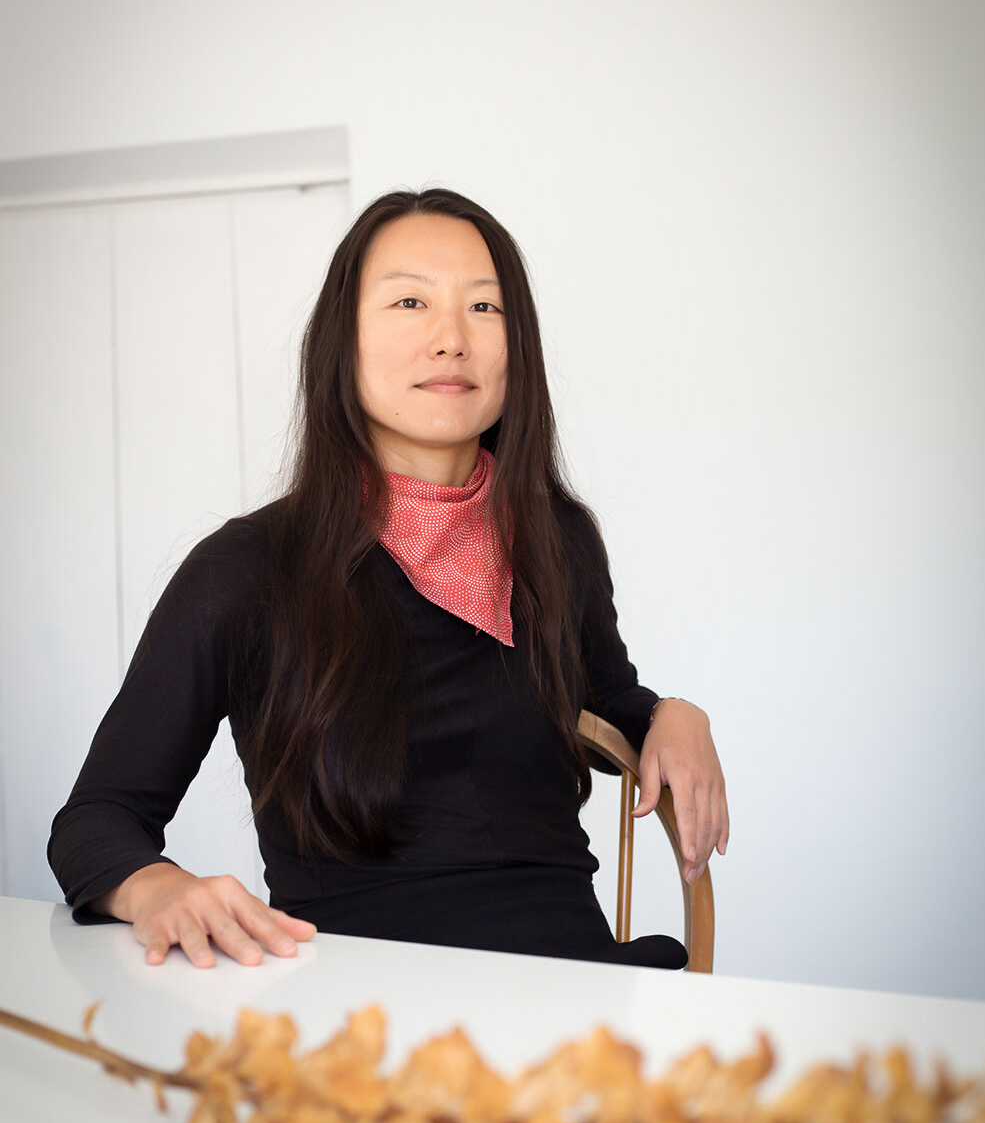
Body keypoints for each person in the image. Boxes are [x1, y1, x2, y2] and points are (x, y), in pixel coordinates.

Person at [48, 188, 728, 971]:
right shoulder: (246, 568)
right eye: (410, 301)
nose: (451, 339)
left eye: (485, 307)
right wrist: (158, 887)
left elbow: (610, 706)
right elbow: (97, 819)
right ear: (343, 342)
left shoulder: (559, 537)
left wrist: (675, 714)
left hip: (571, 989)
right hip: (356, 1003)